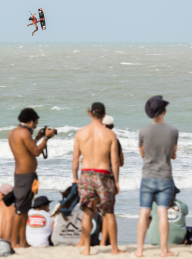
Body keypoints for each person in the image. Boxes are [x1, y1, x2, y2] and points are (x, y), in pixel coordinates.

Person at [72, 102, 124, 256]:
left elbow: (75, 160)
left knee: (87, 213)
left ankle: (86, 249)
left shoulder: (80, 133)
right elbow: (115, 161)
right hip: (104, 174)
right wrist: (116, 181)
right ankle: (114, 248)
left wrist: (75, 177)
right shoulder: (110, 134)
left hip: (86, 174)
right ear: (104, 115)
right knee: (108, 212)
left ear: (90, 114)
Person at [132, 95, 179, 258]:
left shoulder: (143, 131)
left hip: (147, 176)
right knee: (163, 213)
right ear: (164, 111)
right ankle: (164, 250)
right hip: (165, 177)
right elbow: (173, 155)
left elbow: (142, 154)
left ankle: (139, 250)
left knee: (143, 213)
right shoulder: (173, 131)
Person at [8, 108, 55, 248]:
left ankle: (23, 241)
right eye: (35, 123)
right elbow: (36, 151)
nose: (36, 126)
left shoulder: (15, 132)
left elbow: (27, 147)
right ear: (30, 121)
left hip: (22, 176)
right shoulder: (23, 132)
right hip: (25, 176)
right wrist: (47, 138)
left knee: (24, 211)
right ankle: (14, 242)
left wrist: (38, 138)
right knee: (20, 211)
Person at [100, 115, 124, 246]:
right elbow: (120, 162)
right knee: (108, 211)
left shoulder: (95, 138)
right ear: (112, 127)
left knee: (91, 211)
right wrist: (116, 181)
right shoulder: (116, 140)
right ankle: (106, 242)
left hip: (93, 174)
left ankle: (99, 241)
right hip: (109, 176)